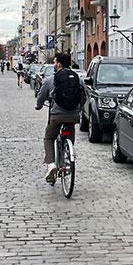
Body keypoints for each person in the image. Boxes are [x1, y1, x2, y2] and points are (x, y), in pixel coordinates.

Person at [35, 52, 84, 183]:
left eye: (55, 62)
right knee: (69, 134)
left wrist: (39, 106)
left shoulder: (51, 79)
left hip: (56, 116)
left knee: (49, 138)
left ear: (59, 64)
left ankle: (51, 165)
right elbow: (83, 96)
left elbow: (41, 96)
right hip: (73, 116)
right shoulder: (77, 78)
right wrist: (79, 109)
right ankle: (69, 154)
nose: (53, 64)